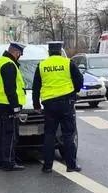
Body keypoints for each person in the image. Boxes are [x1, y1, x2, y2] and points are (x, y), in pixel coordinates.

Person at [32, 41, 84, 173]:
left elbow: (36, 87)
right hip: (66, 102)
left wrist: (36, 104)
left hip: (49, 104)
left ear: (49, 52)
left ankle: (47, 166)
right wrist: (74, 92)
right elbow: (79, 80)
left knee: (49, 134)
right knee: (68, 134)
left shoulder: (42, 65)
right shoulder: (67, 63)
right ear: (60, 51)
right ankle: (71, 165)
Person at [0, 41, 26, 171]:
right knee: (10, 135)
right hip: (9, 104)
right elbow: (10, 89)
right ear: (15, 52)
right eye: (19, 55)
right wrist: (16, 107)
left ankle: (1, 160)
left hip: (1, 103)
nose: (19, 57)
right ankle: (9, 162)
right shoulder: (9, 65)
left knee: (2, 133)